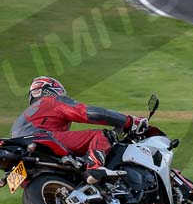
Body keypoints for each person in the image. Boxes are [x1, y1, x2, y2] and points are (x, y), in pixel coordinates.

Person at [10, 76, 148, 180]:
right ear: (53, 90)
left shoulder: (20, 119)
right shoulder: (51, 101)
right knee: (100, 135)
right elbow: (90, 113)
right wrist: (129, 121)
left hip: (24, 155)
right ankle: (94, 167)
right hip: (41, 139)